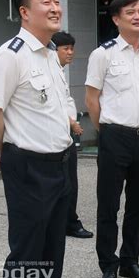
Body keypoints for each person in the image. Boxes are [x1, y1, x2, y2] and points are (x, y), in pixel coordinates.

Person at [0, 0, 72, 278]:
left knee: (53, 250)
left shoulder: (51, 55)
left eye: (57, 1)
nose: (55, 8)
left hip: (60, 165)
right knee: (28, 254)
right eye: (46, 2)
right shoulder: (11, 55)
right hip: (29, 168)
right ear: (24, 11)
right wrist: (7, 151)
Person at [84, 0, 139, 278]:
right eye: (131, 12)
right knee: (108, 205)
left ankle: (130, 261)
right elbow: (92, 99)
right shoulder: (102, 54)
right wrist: (108, 131)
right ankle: (108, 266)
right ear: (116, 19)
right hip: (114, 136)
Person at [52, 31, 94, 239]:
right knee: (63, 184)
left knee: (70, 184)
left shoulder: (60, 71)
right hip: (54, 138)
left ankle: (68, 222)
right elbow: (52, 106)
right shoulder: (49, 72)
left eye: (72, 48)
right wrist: (72, 124)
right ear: (54, 50)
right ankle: (66, 223)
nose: (70, 53)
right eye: (65, 49)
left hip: (65, 137)